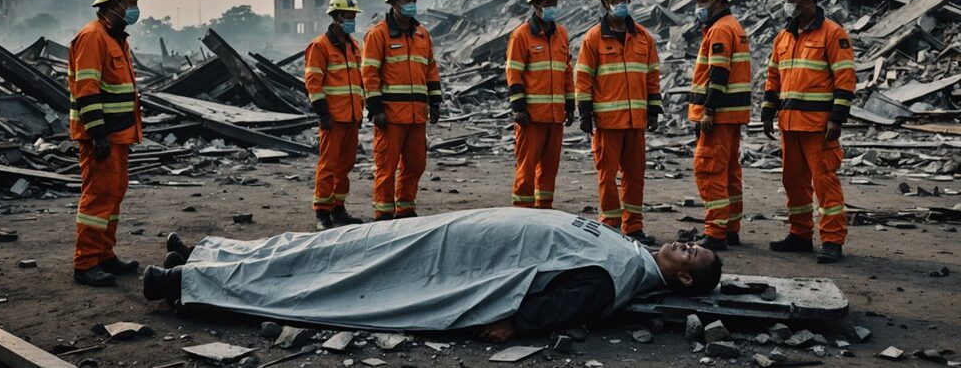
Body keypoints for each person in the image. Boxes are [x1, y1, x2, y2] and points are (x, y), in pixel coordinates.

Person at [144, 208, 723, 342]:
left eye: (693, 255)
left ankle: (183, 286)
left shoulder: (615, 280)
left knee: (330, 274)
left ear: (686, 284)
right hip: (456, 231)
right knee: (331, 244)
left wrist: (507, 325)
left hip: (451, 259)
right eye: (693, 242)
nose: (688, 243)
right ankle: (207, 255)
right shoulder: (631, 252)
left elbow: (542, 312)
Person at [762, 0, 856, 264]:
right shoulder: (784, 37)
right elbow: (773, 76)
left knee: (824, 183)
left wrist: (836, 119)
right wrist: (767, 110)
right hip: (790, 125)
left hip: (818, 127)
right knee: (793, 182)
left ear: (808, 0)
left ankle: (832, 240)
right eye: (787, 0)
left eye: (792, 0)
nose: (788, 6)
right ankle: (800, 234)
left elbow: (845, 79)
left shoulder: (832, 33)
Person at [68, 0, 145, 287]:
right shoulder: (93, 37)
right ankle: (85, 263)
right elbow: (87, 89)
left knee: (113, 195)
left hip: (118, 134)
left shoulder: (116, 37)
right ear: (112, 3)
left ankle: (104, 255)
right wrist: (98, 133)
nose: (133, 9)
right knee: (98, 198)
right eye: (129, 2)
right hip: (101, 136)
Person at [575, 0, 662, 244]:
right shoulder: (593, 39)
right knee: (607, 178)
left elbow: (652, 75)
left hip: (635, 122)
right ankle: (610, 227)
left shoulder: (643, 38)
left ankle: (633, 227)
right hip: (608, 122)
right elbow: (584, 77)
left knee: (635, 177)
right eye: (614, 0)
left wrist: (654, 109)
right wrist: (585, 112)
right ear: (604, 3)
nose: (620, 4)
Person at [362, 0, 442, 220]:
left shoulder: (422, 35)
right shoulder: (378, 35)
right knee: (386, 167)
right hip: (391, 116)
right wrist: (376, 109)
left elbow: (431, 70)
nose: (412, 3)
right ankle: (383, 214)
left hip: (417, 115)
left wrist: (435, 101)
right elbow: (369, 73)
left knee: (416, 165)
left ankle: (405, 209)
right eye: (407, 0)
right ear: (394, 2)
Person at [687, 0, 752, 251]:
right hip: (732, 116)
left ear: (719, 1)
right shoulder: (732, 27)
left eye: (703, 1)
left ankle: (715, 233)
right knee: (729, 172)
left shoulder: (720, 30)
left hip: (719, 115)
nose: (699, 6)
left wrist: (708, 111)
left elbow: (718, 73)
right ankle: (730, 228)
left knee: (710, 170)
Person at [505, 0, 575, 209]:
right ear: (535, 5)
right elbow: (514, 73)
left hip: (555, 116)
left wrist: (570, 104)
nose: (552, 6)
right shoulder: (521, 36)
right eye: (548, 2)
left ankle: (544, 209)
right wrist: (519, 109)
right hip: (531, 117)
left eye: (554, 1)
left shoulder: (562, 35)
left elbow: (566, 71)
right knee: (527, 168)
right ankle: (523, 214)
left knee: (550, 167)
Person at [304, 0, 366, 231]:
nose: (352, 21)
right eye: (349, 16)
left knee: (345, 165)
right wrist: (323, 113)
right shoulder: (320, 46)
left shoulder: (353, 46)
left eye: (353, 16)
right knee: (328, 165)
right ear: (337, 17)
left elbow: (358, 82)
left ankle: (338, 209)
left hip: (351, 116)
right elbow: (313, 82)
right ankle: (322, 213)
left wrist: (359, 111)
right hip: (333, 117)